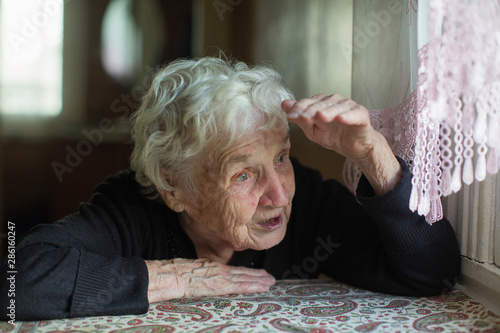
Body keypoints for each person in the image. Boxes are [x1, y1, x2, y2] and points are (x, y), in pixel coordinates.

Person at [0, 56, 460, 320]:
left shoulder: (309, 207)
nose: (279, 195)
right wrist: (177, 276)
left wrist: (372, 154)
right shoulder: (131, 211)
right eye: (243, 174)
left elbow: (432, 274)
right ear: (173, 186)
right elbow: (12, 278)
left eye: (281, 158)